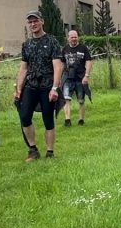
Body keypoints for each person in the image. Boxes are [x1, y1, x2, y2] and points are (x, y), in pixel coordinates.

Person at [15, 10, 63, 161]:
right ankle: (33, 149)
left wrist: (55, 88)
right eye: (30, 22)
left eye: (35, 21)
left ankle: (50, 152)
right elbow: (24, 68)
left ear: (42, 21)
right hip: (31, 84)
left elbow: (58, 66)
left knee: (48, 119)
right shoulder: (27, 44)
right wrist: (18, 88)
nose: (33, 24)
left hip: (47, 85)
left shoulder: (52, 41)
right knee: (25, 116)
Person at [61, 30, 92, 127]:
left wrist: (86, 75)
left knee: (81, 100)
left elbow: (89, 61)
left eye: (75, 37)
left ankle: (81, 120)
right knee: (66, 98)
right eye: (72, 37)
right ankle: (67, 120)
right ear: (68, 38)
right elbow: (62, 63)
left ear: (78, 37)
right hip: (67, 77)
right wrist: (59, 78)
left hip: (80, 77)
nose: (74, 39)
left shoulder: (83, 48)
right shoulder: (64, 49)